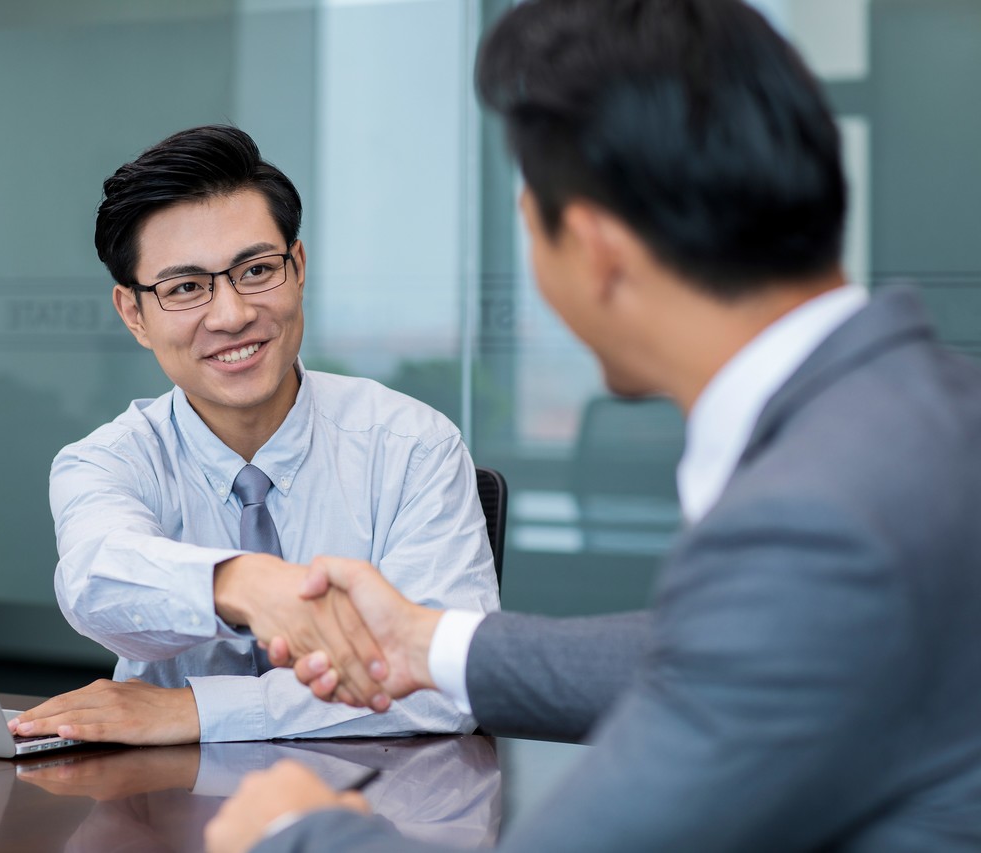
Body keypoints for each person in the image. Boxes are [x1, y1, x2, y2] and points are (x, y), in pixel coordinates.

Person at [204, 0, 981, 850]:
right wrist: (427, 643)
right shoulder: (925, 419)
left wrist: (293, 829)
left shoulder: (817, 520)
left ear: (595, 248)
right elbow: (733, 649)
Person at [8, 125, 499, 746]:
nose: (232, 314)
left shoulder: (411, 446)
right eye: (186, 288)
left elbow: (447, 684)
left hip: (379, 795)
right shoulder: (107, 461)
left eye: (257, 270)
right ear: (134, 314)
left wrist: (197, 711)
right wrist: (239, 584)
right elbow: (96, 583)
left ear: (298, 269)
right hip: (165, 796)